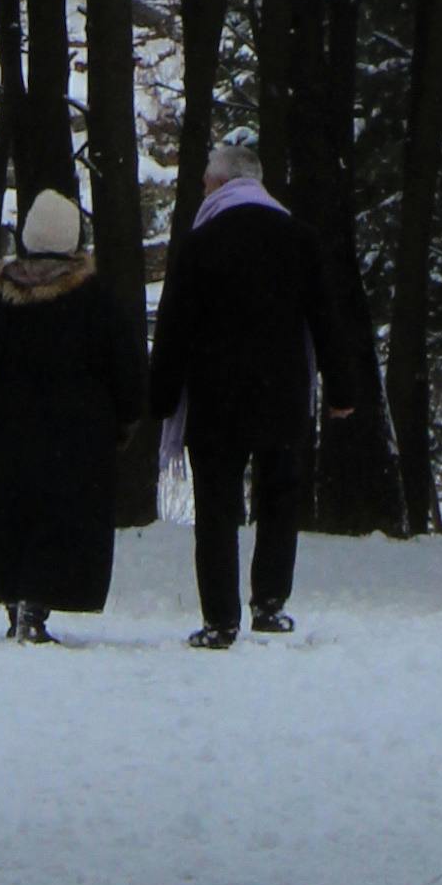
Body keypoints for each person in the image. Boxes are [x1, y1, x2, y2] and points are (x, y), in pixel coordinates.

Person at [149, 148, 370, 648]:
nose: (204, 189)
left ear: (221, 183)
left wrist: (161, 397)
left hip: (215, 397)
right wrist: (341, 388)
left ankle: (220, 620)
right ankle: (270, 604)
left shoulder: (202, 242)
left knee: (217, 508)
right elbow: (326, 319)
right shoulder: (298, 238)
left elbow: (175, 326)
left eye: (207, 181)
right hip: (281, 394)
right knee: (279, 500)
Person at [0, 190, 145, 645]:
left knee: (13, 517)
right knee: (62, 521)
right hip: (78, 433)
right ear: (73, 240)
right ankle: (35, 605)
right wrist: (127, 419)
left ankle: (17, 602)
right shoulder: (96, 299)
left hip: (10, 428)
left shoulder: (2, 297)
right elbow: (127, 365)